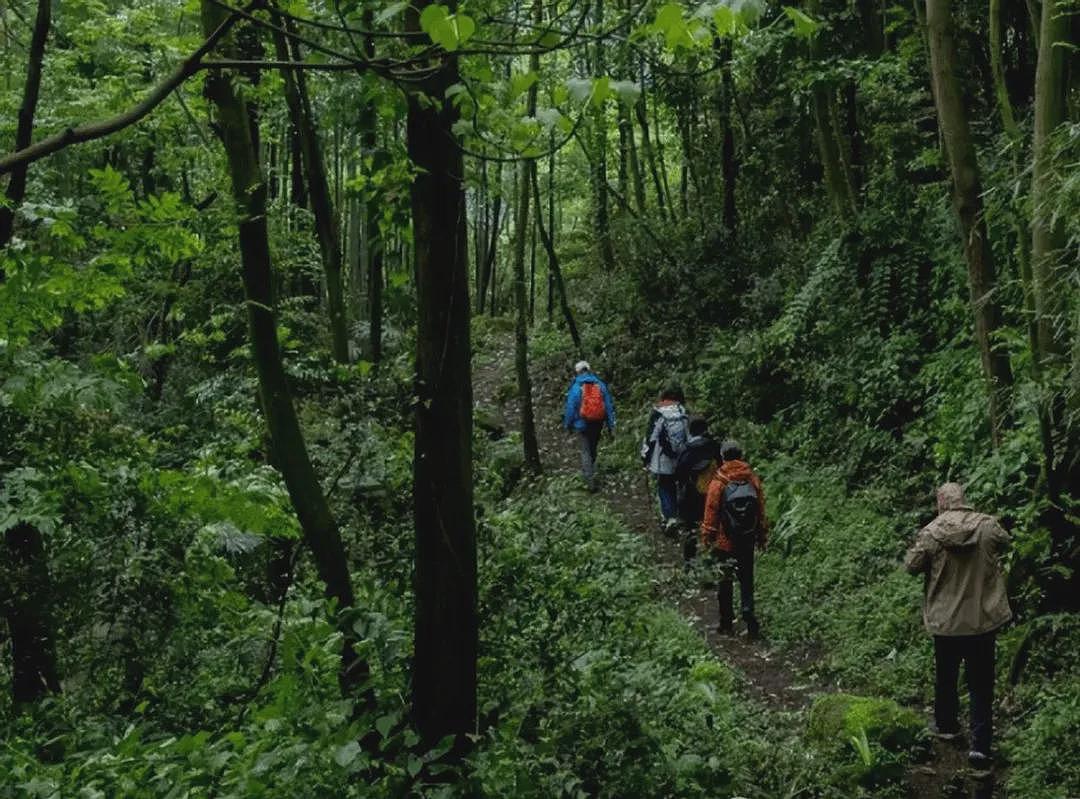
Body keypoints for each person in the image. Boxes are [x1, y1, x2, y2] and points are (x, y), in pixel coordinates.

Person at [904, 482, 1012, 772]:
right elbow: (1007, 540)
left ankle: (947, 725)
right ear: (963, 500)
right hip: (981, 620)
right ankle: (980, 748)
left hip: (946, 623)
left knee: (946, 675)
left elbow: (911, 566)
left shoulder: (930, 534)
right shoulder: (988, 526)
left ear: (941, 502)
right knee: (981, 684)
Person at [700, 440, 767, 638]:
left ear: (722, 457)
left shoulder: (719, 481)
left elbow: (711, 511)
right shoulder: (752, 479)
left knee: (725, 580)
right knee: (747, 579)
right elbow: (761, 510)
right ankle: (748, 611)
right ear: (741, 455)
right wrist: (761, 535)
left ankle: (726, 622)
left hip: (724, 541)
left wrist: (707, 536)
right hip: (747, 539)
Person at [641, 384, 689, 533]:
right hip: (681, 457)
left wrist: (645, 457)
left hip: (662, 459)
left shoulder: (658, 413)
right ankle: (681, 515)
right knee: (678, 486)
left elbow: (651, 438)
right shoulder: (683, 411)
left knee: (664, 486)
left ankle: (670, 518)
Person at [562, 361, 616, 492]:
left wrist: (568, 425)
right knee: (593, 448)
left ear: (578, 372)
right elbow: (608, 406)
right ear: (589, 370)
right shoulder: (600, 385)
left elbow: (570, 408)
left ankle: (590, 480)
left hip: (582, 424)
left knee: (585, 450)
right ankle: (592, 471)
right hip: (597, 423)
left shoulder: (576, 387)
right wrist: (611, 424)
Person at [674, 416, 721, 562]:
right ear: (706, 429)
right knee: (713, 527)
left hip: (690, 495)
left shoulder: (686, 449)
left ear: (690, 431)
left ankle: (690, 563)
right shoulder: (716, 447)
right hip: (713, 494)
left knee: (690, 530)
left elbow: (679, 474)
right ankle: (713, 561)